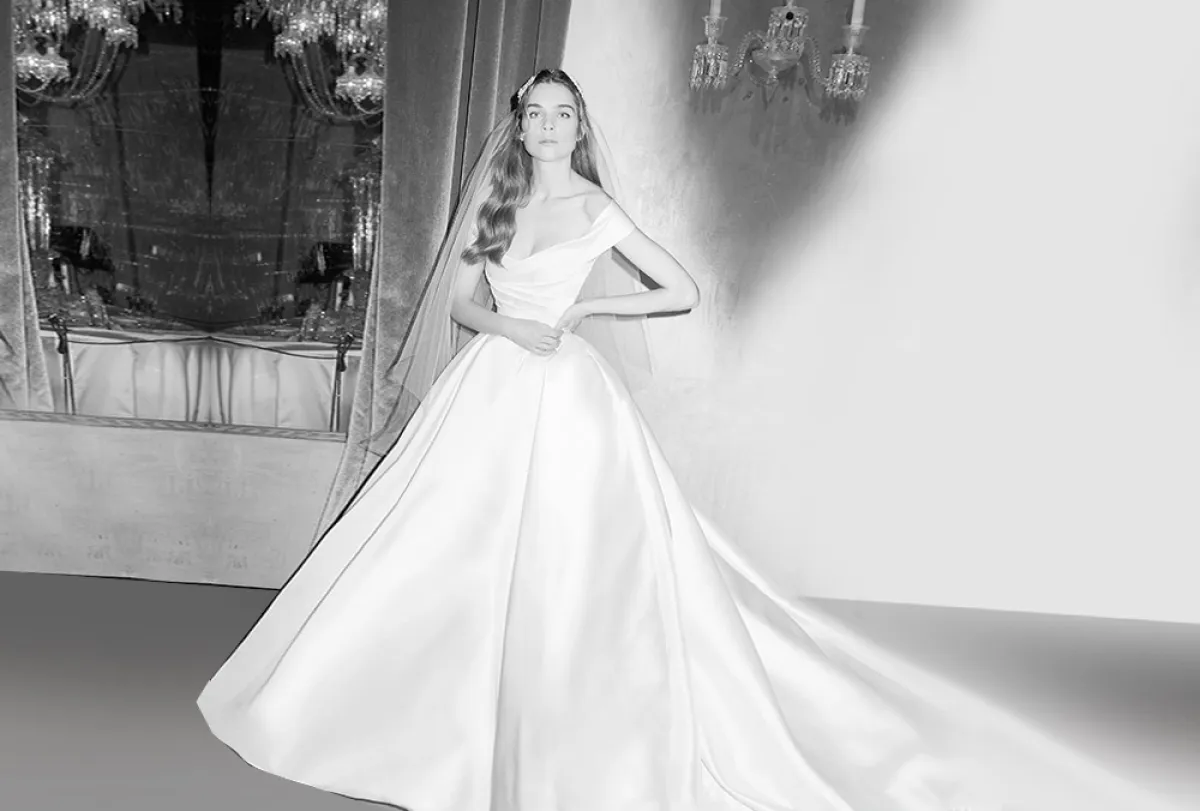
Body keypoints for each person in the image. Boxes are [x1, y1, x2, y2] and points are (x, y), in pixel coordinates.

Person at [197, 70, 1177, 811]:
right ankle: (427, 711)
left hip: (567, 398)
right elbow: (458, 302)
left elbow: (681, 289)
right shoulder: (496, 200)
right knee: (449, 543)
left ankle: (562, 716)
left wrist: (584, 313)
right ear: (519, 124)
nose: (547, 127)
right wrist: (512, 326)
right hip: (492, 383)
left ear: (580, 127)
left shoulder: (595, 208)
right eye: (536, 114)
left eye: (563, 115)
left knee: (574, 558)